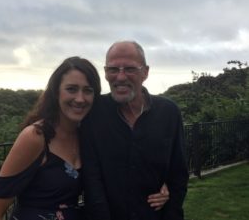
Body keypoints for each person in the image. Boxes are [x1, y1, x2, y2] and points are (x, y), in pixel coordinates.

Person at [0, 56, 101, 220]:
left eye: (88, 90)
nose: (80, 98)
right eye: (71, 89)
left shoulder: (85, 136)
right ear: (56, 92)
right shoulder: (35, 137)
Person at [80, 41, 189, 220]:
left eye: (130, 69)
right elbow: (92, 180)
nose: (121, 77)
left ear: (145, 72)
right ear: (106, 73)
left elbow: (178, 174)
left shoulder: (169, 112)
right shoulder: (94, 112)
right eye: (113, 69)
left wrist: (171, 208)